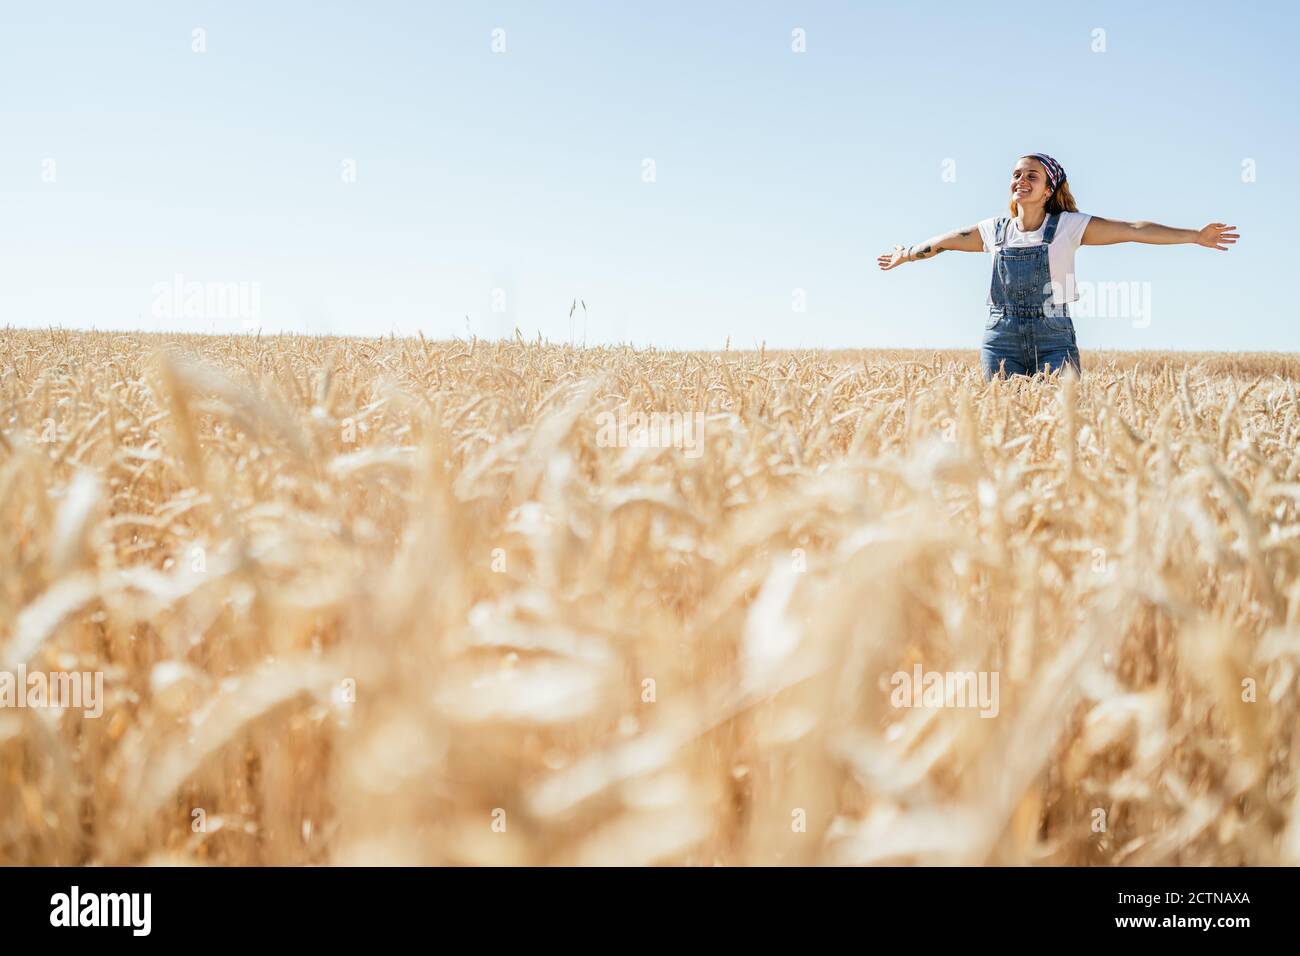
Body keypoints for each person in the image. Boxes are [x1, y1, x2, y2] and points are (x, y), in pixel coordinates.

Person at [877, 154, 1239, 379]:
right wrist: (907, 253)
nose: (1021, 180)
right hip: (1000, 339)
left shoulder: (1069, 226)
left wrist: (1194, 235)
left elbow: (1132, 230)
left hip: (1054, 338)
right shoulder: (995, 230)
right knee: (1004, 425)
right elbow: (947, 241)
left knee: (1059, 425)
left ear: (1049, 189)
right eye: (1017, 174)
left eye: (1032, 176)